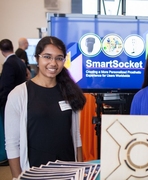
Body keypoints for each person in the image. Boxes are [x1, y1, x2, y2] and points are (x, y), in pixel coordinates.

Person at [4, 36, 86, 178]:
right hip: (35, 172)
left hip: (68, 171)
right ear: (37, 58)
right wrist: (18, 177)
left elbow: (75, 135)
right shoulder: (19, 94)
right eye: (47, 57)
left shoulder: (69, 91)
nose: (53, 63)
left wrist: (81, 168)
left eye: (59, 58)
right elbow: (12, 144)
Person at [0, 39, 27, 166]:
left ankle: (8, 159)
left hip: (9, 103)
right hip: (22, 100)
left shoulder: (9, 64)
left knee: (11, 137)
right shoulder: (20, 62)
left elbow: (6, 86)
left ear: (1, 51)